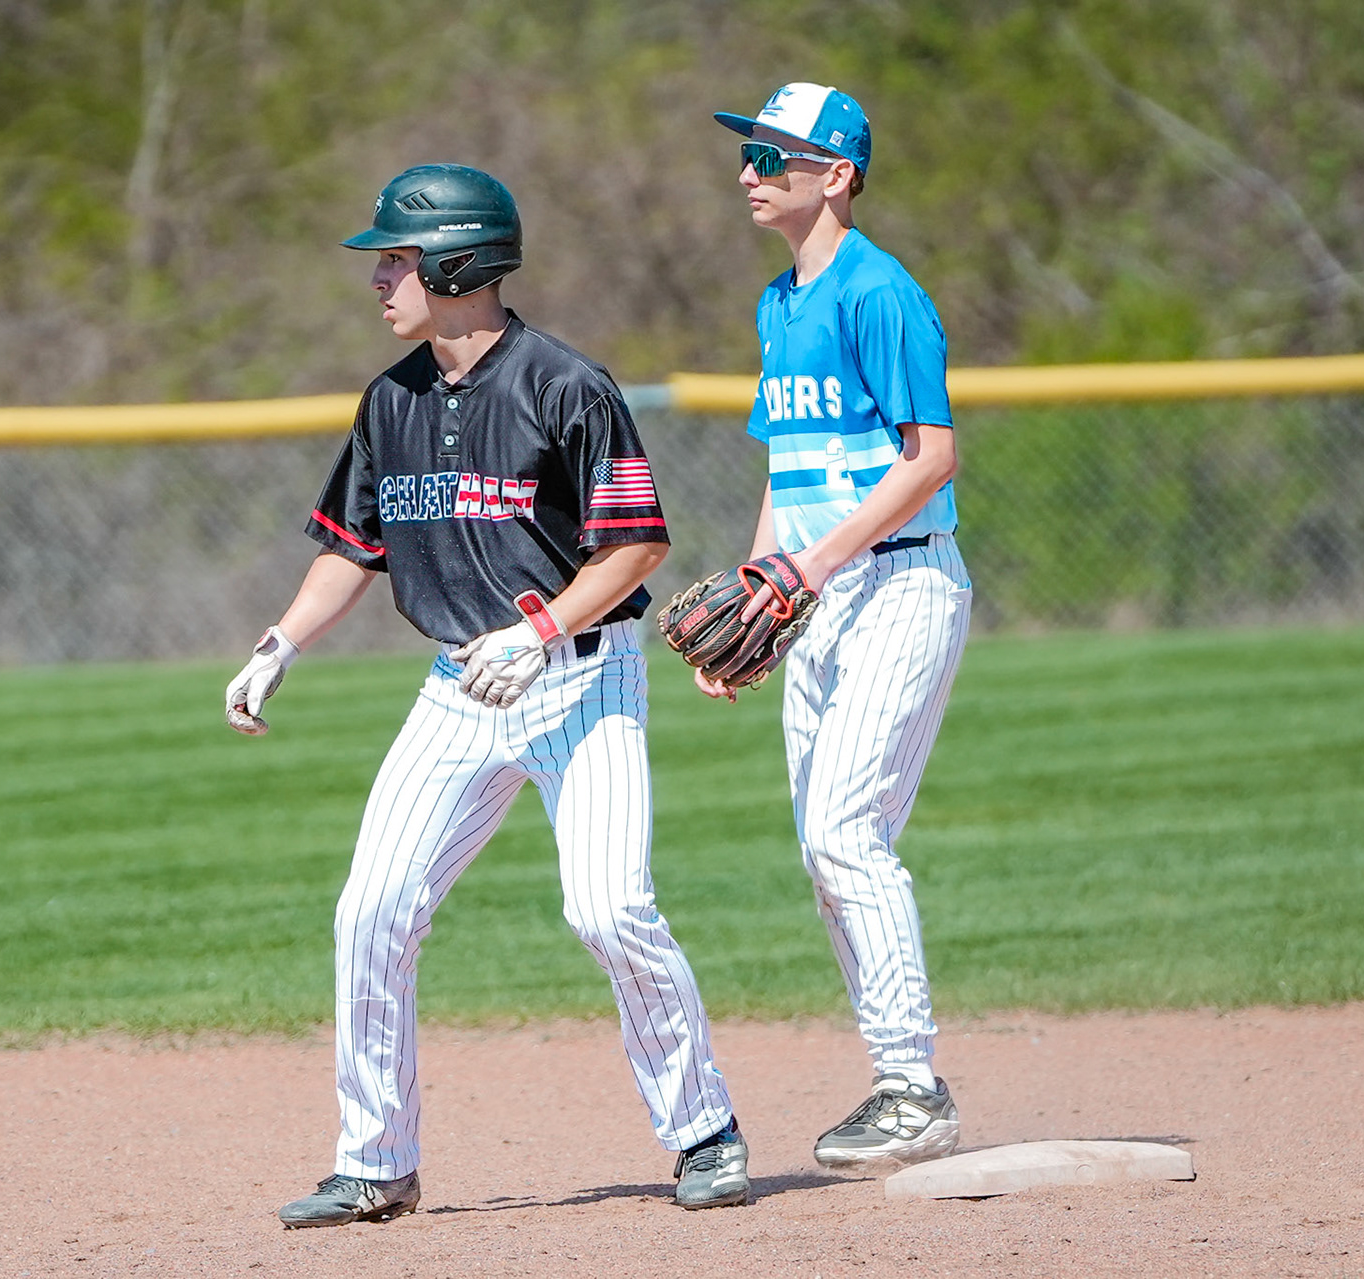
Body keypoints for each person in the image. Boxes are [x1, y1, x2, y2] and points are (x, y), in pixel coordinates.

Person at [227, 165, 748, 1227]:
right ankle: (375, 1162)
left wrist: (541, 629)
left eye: (399, 259)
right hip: (458, 690)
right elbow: (353, 547)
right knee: (371, 910)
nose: (380, 278)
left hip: (582, 674)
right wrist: (281, 640)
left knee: (607, 907)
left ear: (460, 264)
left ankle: (706, 1132)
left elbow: (636, 544)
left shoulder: (566, 385)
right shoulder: (391, 400)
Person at [703, 84, 972, 1170]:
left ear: (839, 175)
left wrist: (810, 567)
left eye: (775, 155)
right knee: (826, 853)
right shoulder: (778, 305)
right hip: (817, 601)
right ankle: (897, 1084)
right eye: (750, 154)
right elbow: (789, 468)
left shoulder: (879, 293)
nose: (751, 172)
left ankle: (914, 1087)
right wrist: (759, 599)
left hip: (901, 587)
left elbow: (931, 457)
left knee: (845, 833)